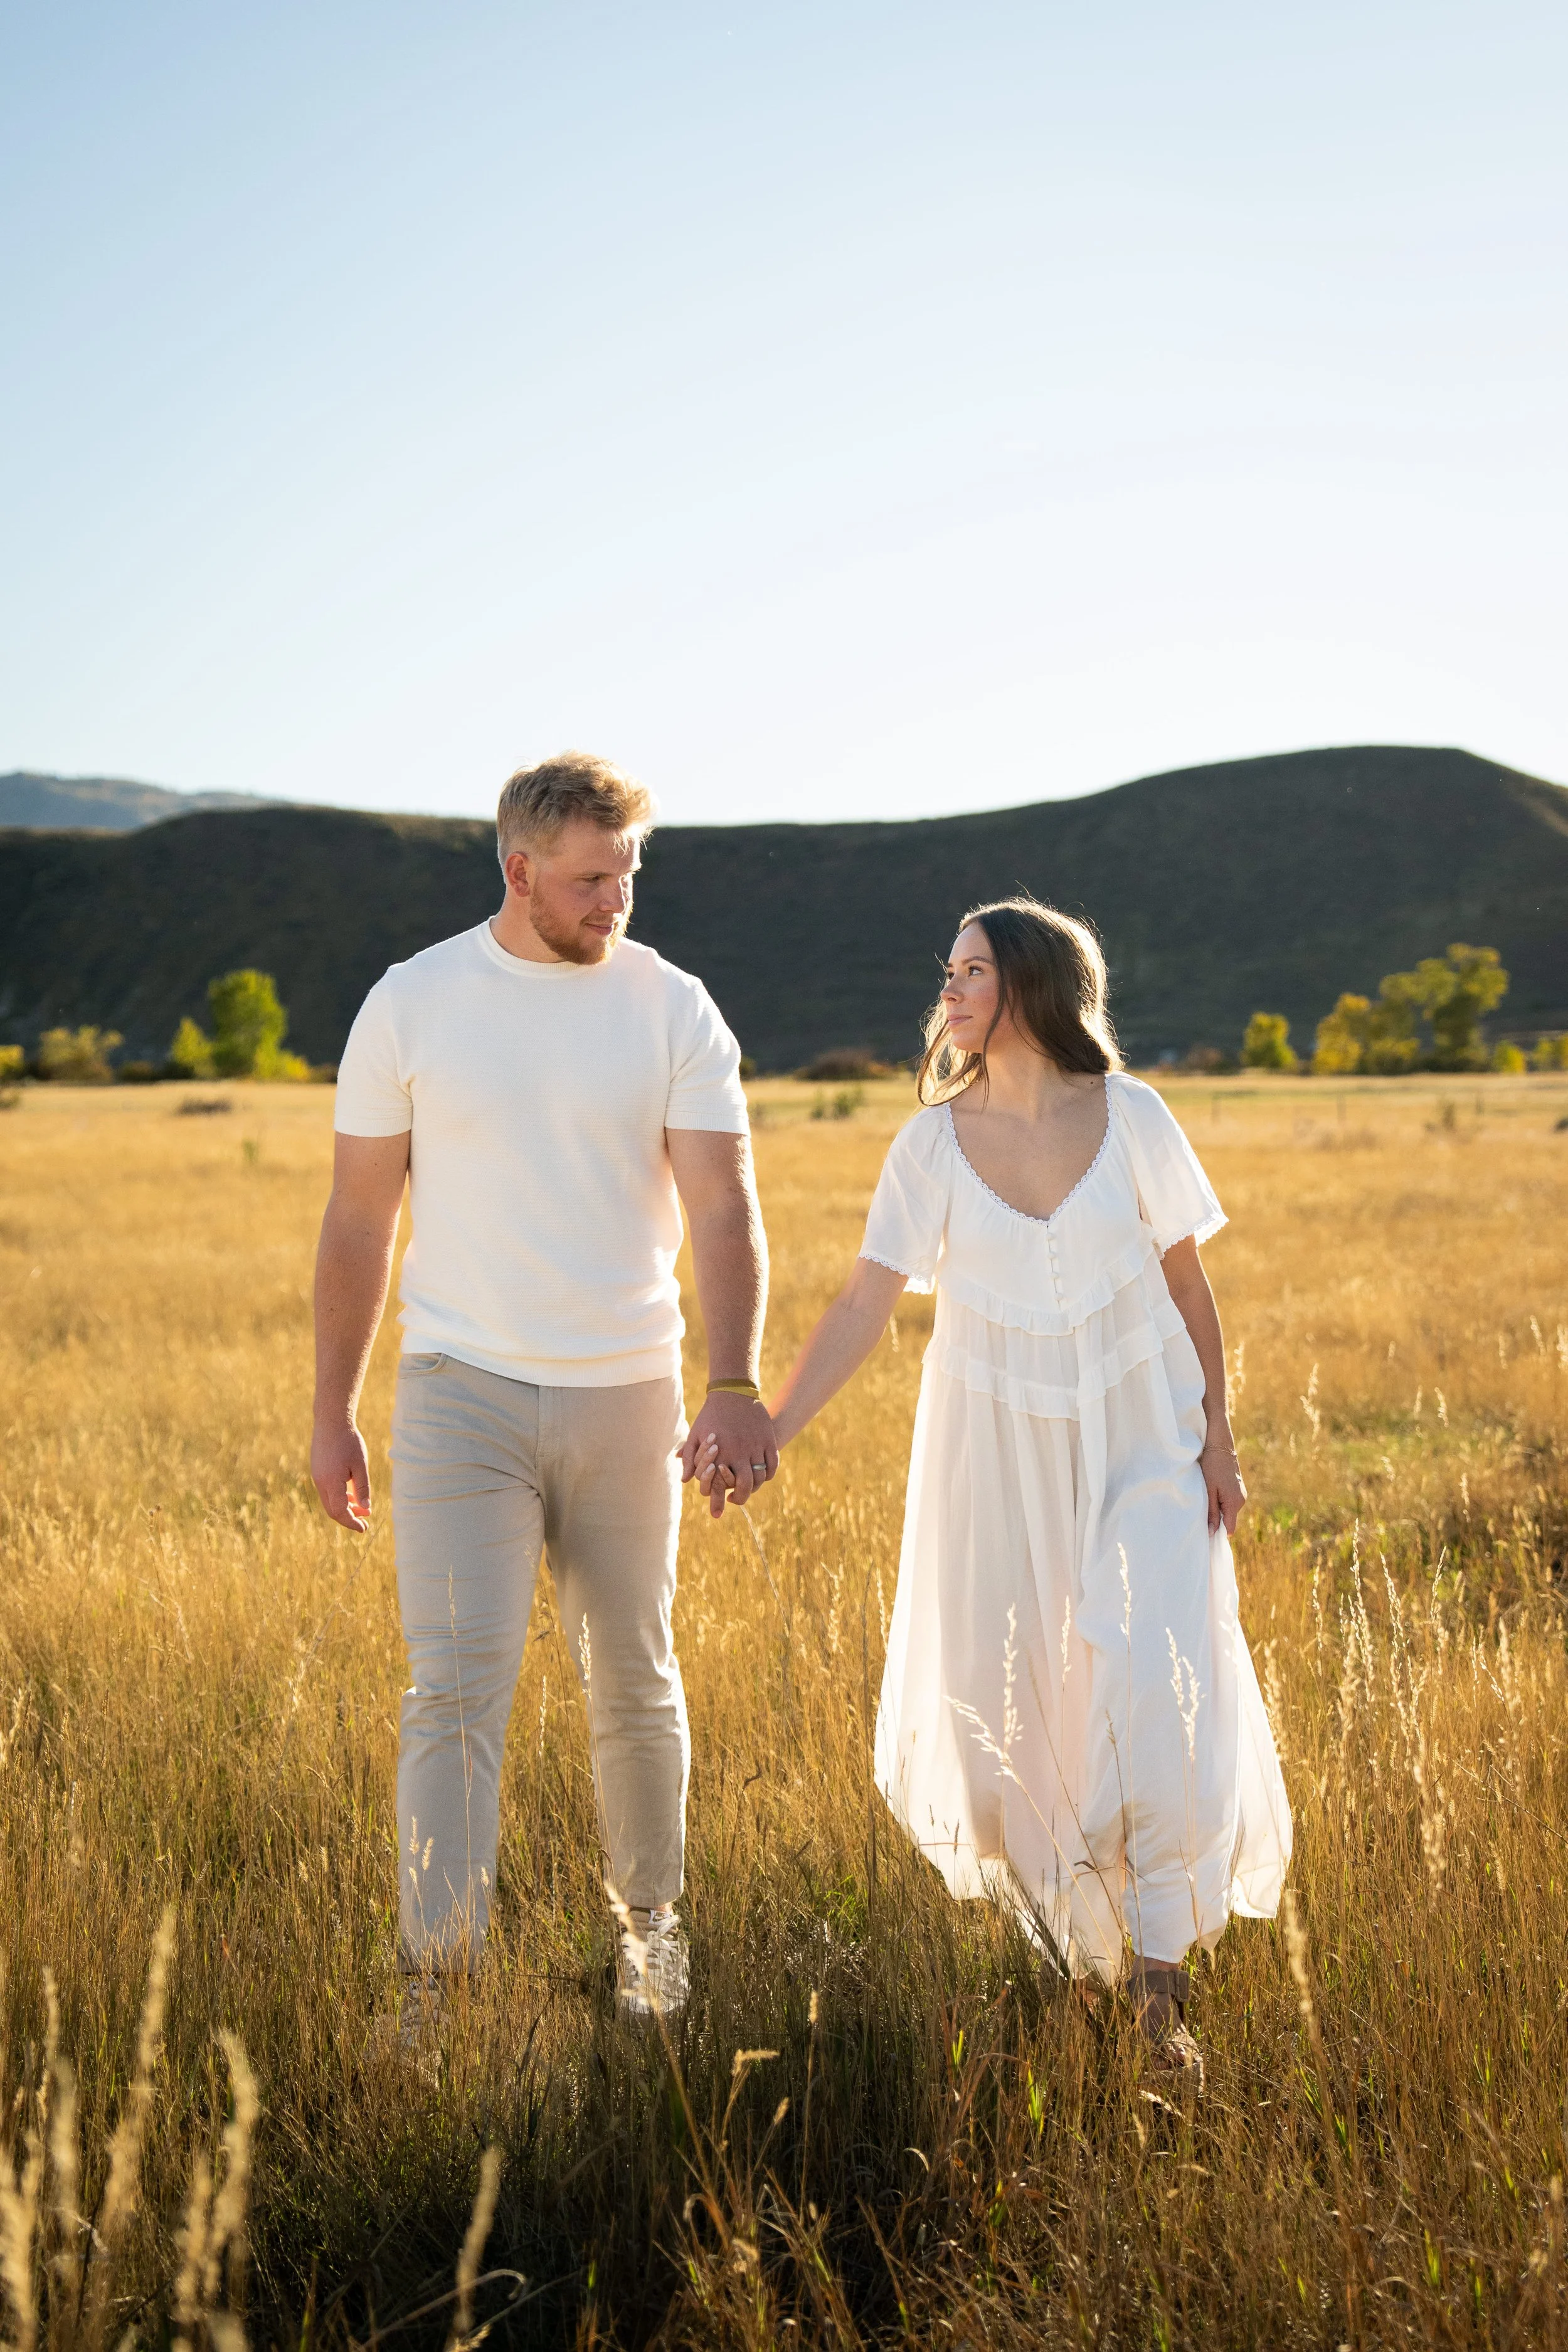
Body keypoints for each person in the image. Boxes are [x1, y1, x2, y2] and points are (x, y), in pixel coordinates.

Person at [699, 896, 1290, 2071]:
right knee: (1023, 1706)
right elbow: (867, 1301)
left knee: (1154, 1664)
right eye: (950, 970)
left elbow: (1189, 1288)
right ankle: (1083, 1958)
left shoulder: (1135, 1116)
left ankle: (1162, 1978)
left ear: (1032, 984)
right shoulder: (930, 1146)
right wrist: (772, 1423)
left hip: (1145, 1442)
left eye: (973, 970)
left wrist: (1218, 1439)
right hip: (996, 1452)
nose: (950, 988)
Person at [310, 751, 776, 2023]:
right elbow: (358, 1224)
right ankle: (435, 1980)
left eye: (626, 874)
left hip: (628, 1392)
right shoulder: (410, 1004)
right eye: (588, 880)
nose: (613, 901)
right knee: (452, 1685)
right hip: (458, 1391)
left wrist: (732, 1380)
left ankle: (650, 1933)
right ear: (519, 871)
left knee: (630, 1667)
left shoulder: (673, 1008)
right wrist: (331, 1410)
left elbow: (723, 1207)